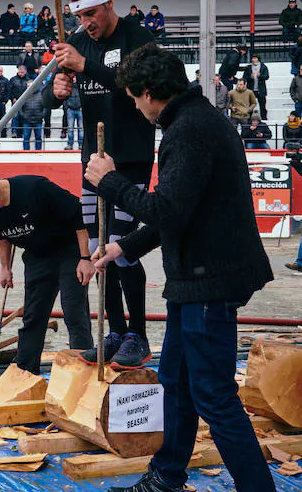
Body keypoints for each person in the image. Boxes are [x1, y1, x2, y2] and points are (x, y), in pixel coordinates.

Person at [86, 43, 274, 492]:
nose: (133, 105)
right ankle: (166, 476)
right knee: (175, 383)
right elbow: (181, 212)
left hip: (209, 279)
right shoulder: (193, 121)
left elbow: (167, 211)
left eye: (133, 96)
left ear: (151, 92)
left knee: (214, 396)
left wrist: (109, 183)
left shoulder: (188, 130)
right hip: (194, 280)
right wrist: (122, 247)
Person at [45, 0, 156, 370]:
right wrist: (56, 91)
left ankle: (138, 337)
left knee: (123, 248)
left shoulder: (137, 38)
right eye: (82, 15)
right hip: (93, 159)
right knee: (97, 250)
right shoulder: (76, 43)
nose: (88, 22)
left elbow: (138, 86)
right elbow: (50, 97)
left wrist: (85, 65)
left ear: (110, 4)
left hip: (130, 157)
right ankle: (115, 332)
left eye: (93, 13)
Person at [0, 165, 94, 375]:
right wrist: (5, 267)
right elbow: (1, 235)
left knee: (74, 313)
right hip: (37, 256)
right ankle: (25, 373)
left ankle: (84, 371)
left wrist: (85, 258)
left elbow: (78, 214)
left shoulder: (35, 188)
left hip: (69, 250)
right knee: (33, 316)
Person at [242, 54, 269, 119]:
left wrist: (260, 76)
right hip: (251, 90)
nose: (253, 59)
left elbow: (267, 76)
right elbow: (244, 78)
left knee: (262, 105)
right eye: (252, 58)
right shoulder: (248, 67)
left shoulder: (263, 67)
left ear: (258, 59)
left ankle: (264, 118)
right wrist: (250, 77)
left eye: (254, 58)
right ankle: (249, 119)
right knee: (250, 105)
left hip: (260, 90)